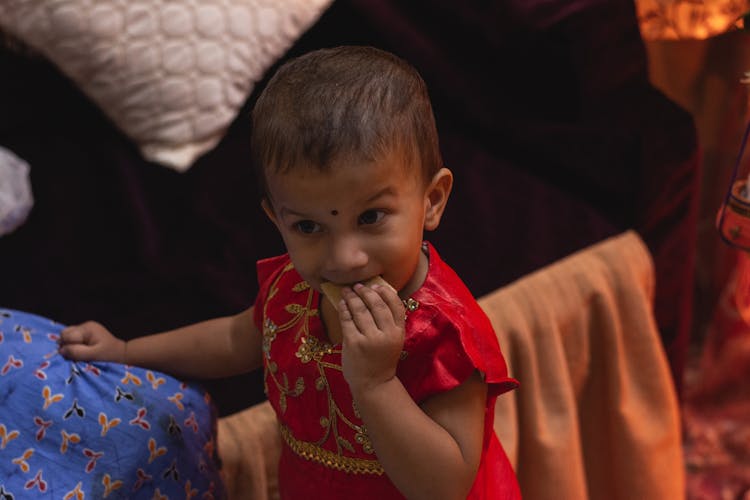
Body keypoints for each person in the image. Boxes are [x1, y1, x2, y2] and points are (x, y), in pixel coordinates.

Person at [59, 45, 520, 499]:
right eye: (307, 226)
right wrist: (125, 350)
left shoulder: (446, 336)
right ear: (275, 219)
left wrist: (376, 385)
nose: (344, 258)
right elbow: (237, 339)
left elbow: (444, 487)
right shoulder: (294, 287)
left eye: (371, 217)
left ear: (432, 200)